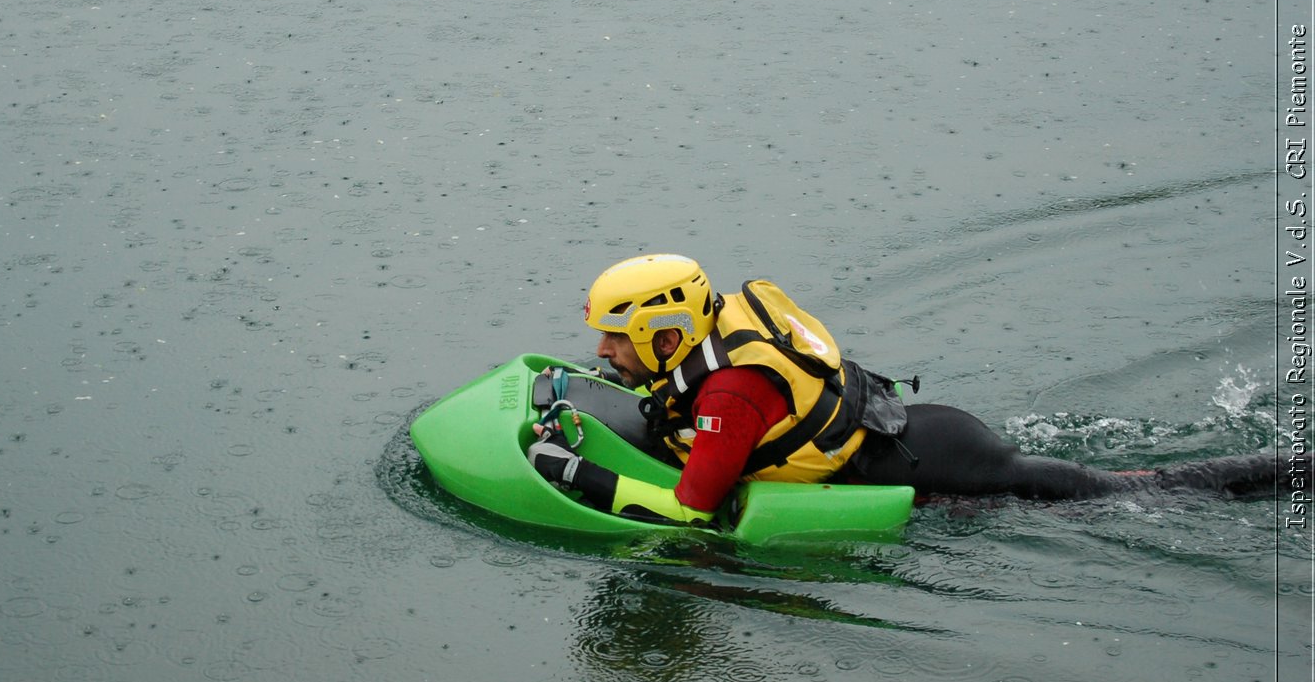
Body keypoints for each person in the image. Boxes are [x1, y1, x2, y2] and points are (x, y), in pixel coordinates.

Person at [526, 254, 1277, 525]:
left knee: (1144, 495)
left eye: (616, 340)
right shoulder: (714, 337)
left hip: (949, 464)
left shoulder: (731, 392)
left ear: (667, 333)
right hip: (922, 432)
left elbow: (692, 514)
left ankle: (1281, 470)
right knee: (1125, 487)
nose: (602, 352)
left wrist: (572, 471)